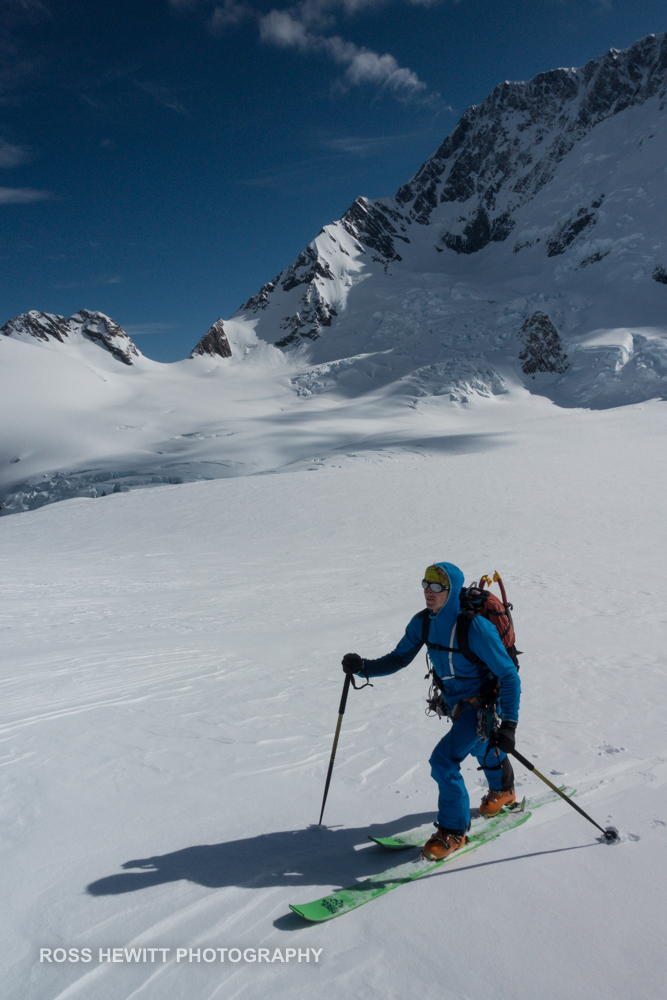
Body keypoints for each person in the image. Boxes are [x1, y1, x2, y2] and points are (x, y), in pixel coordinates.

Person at [341, 561, 521, 861]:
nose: (429, 591)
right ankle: (503, 790)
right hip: (454, 704)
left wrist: (510, 724)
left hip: (481, 704)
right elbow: (398, 658)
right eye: (425, 584)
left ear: (451, 591)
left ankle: (453, 832)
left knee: (443, 761)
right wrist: (363, 668)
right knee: (479, 747)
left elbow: (509, 675)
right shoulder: (424, 622)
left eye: (437, 586)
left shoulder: (474, 627)